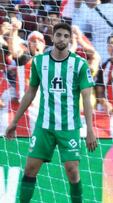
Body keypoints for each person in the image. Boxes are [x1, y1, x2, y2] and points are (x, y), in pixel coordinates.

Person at [5, 23, 98, 203]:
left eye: (65, 36)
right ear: (52, 38)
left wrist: (90, 130)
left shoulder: (79, 64)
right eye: (58, 35)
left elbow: (86, 98)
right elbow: (30, 92)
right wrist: (15, 121)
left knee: (72, 171)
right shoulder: (40, 62)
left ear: (70, 39)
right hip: (44, 126)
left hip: (69, 127)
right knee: (30, 168)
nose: (62, 39)